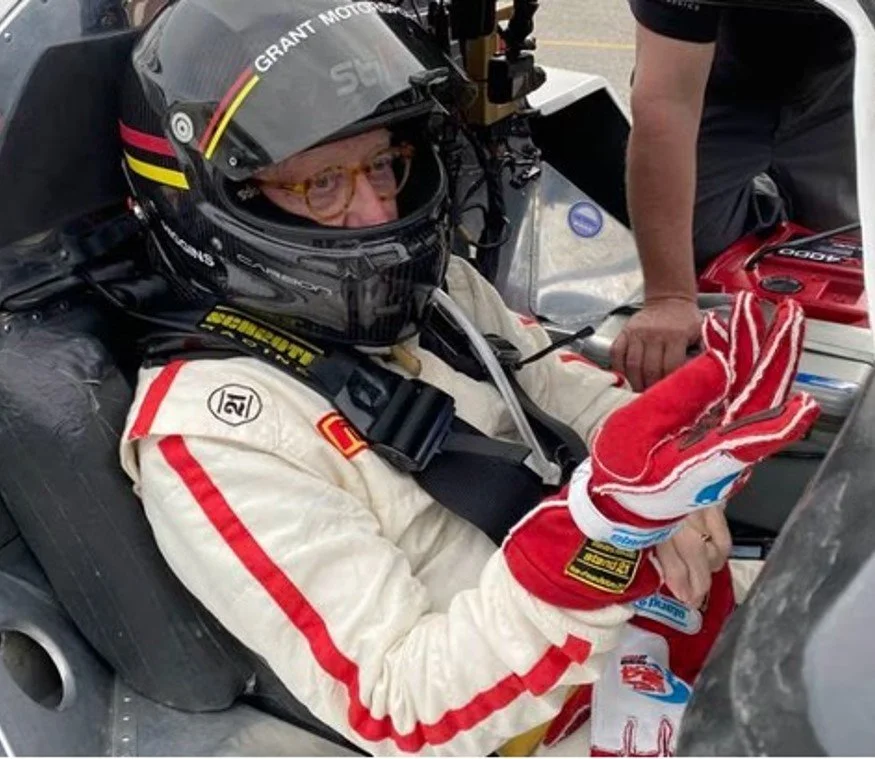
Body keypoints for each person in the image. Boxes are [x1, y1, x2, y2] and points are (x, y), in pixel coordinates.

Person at [117, 0, 818, 753]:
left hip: (657, 634)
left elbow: (562, 394)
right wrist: (600, 539)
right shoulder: (213, 433)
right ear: (224, 202)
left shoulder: (435, 290)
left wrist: (676, 462)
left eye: (385, 162)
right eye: (323, 184)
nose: (375, 207)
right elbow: (400, 706)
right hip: (549, 726)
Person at [611, 0, 858, 392]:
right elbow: (666, 103)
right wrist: (669, 298)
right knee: (690, 249)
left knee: (847, 252)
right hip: (717, 79)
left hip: (842, 81)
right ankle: (761, 204)